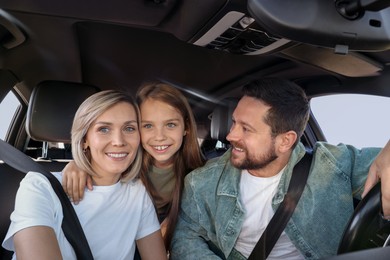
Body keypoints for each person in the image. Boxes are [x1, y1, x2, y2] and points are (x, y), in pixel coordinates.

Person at [170, 78, 390, 260]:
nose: (231, 135)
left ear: (285, 141)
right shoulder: (201, 182)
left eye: (246, 129)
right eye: (234, 122)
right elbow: (184, 237)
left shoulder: (333, 164)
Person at [2, 90, 167, 260]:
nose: (119, 141)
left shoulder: (137, 193)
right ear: (85, 139)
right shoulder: (39, 187)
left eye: (129, 128)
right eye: (104, 129)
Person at [61, 82, 205, 251]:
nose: (159, 137)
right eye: (148, 126)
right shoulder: (124, 166)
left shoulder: (200, 176)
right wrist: (79, 163)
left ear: (186, 127)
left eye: (170, 125)